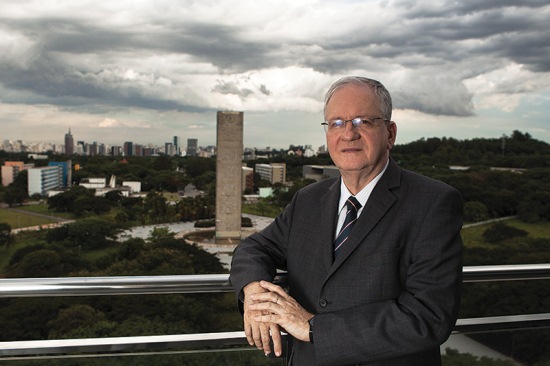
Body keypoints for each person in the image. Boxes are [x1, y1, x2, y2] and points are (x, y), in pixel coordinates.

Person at [230, 76, 463, 366]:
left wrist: (313, 328)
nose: (348, 133)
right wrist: (254, 291)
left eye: (363, 121)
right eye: (337, 123)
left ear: (390, 134)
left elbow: (429, 316)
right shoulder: (308, 200)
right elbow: (253, 249)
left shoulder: (433, 203)